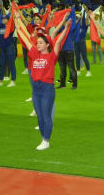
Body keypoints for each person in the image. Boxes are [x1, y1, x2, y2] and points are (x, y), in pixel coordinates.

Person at [14, 10, 70, 150]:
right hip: (36, 90)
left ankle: (46, 140)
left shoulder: (51, 57)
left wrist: (66, 27)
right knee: (39, 117)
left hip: (47, 89)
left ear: (46, 45)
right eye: (37, 42)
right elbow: (26, 39)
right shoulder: (34, 54)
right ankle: (43, 138)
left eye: (40, 43)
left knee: (46, 116)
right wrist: (16, 22)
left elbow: (58, 43)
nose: (37, 44)